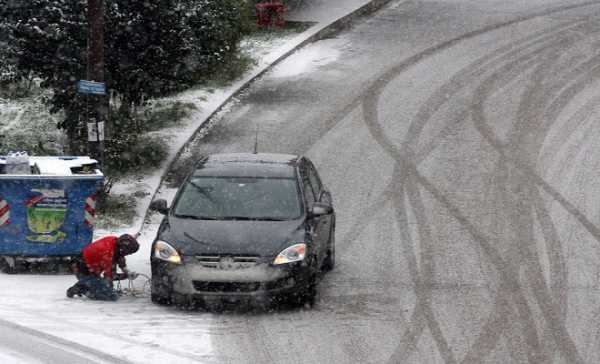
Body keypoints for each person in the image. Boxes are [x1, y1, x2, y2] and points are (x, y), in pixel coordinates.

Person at [66, 234, 140, 301]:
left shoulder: (115, 242)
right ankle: (79, 288)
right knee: (111, 296)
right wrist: (110, 290)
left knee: (105, 289)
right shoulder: (108, 253)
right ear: (124, 249)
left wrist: (127, 272)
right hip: (81, 267)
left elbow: (120, 259)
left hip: (91, 268)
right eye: (129, 252)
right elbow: (109, 277)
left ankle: (88, 284)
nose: (129, 254)